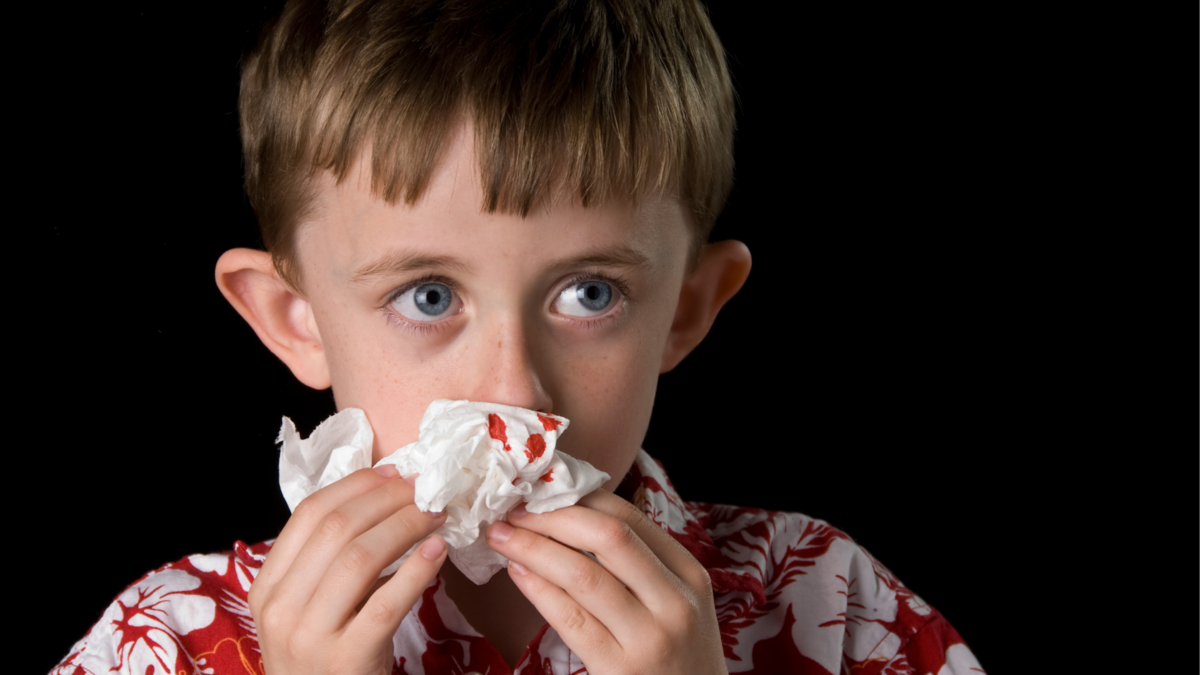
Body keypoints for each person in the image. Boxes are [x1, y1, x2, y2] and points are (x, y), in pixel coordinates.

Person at [53, 0, 984, 673]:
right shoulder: (169, 639)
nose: (513, 394)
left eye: (589, 293)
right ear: (294, 321)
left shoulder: (830, 605)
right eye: (426, 296)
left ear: (690, 307)